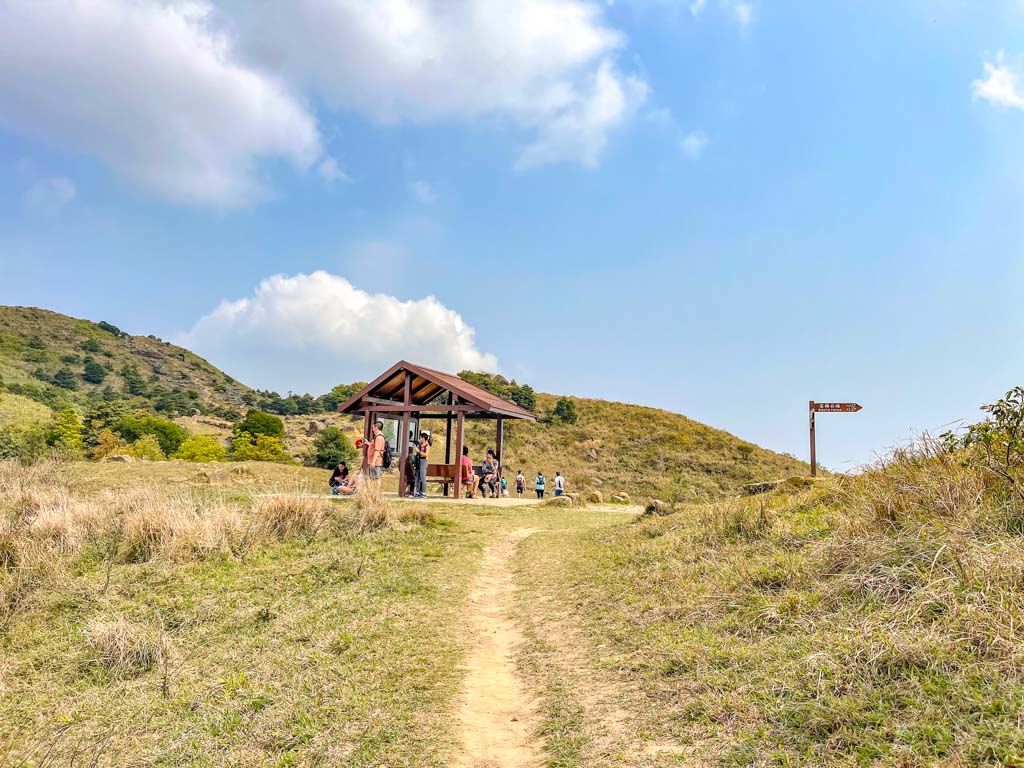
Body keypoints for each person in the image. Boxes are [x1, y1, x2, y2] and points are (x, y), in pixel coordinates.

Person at [361, 420, 386, 487]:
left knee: (376, 478)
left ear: (376, 427)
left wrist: (373, 462)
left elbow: (377, 450)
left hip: (376, 462)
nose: (372, 429)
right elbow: (374, 447)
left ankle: (376, 492)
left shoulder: (379, 437)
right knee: (372, 478)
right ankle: (373, 492)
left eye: (373, 427)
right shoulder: (376, 437)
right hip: (373, 461)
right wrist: (368, 443)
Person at [415, 431, 431, 498]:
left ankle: (424, 492)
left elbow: (426, 454)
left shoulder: (427, 446)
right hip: (418, 461)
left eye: (420, 438)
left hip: (423, 461)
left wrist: (418, 451)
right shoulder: (419, 445)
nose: (419, 439)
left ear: (423, 438)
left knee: (422, 477)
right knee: (417, 478)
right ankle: (417, 492)